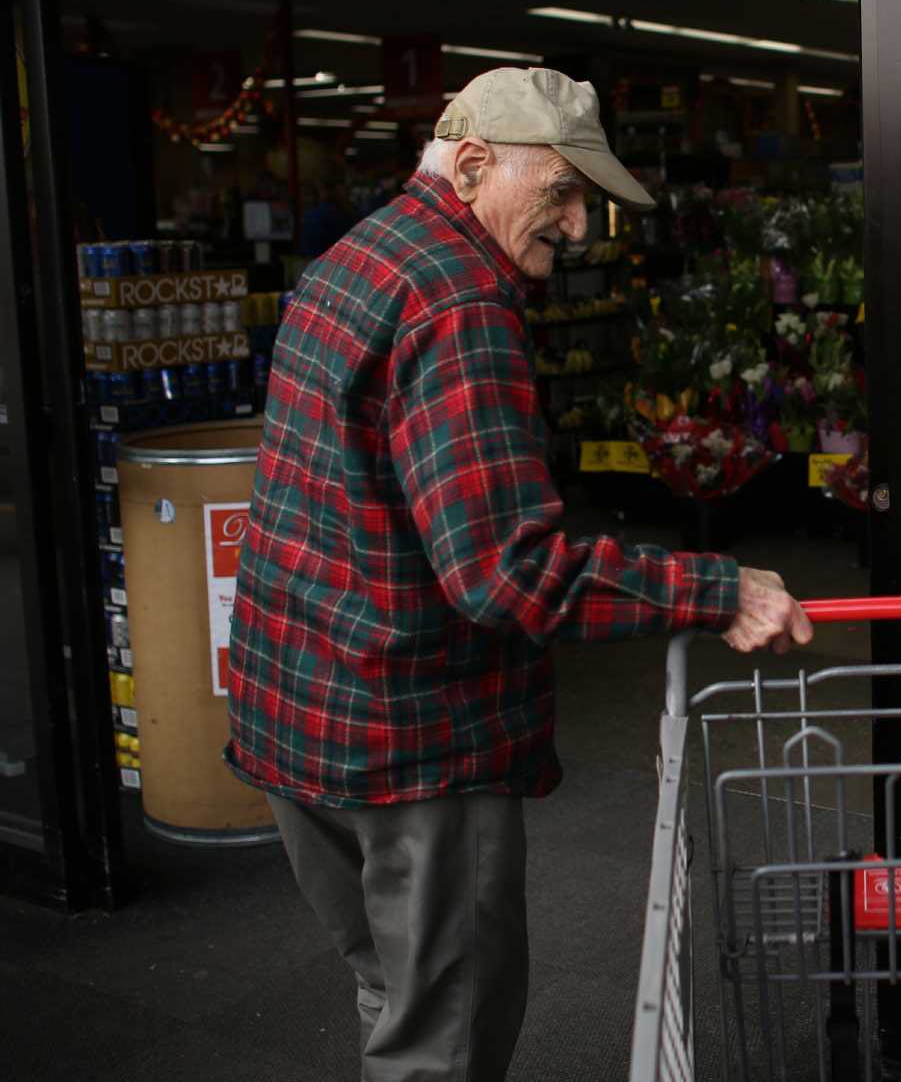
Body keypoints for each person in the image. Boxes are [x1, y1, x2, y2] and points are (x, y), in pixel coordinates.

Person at [224, 66, 814, 1081]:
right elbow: (506, 573)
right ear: (471, 164)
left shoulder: (352, 261)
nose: (581, 227)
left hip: (296, 717)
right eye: (564, 193)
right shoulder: (458, 303)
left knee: (390, 995)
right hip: (413, 746)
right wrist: (719, 590)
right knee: (442, 1039)